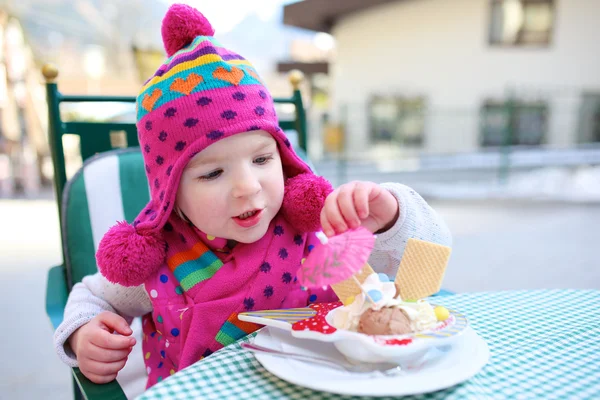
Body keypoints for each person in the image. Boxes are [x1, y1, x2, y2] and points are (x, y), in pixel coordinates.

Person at [53, 3, 452, 391]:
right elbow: (90, 295)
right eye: (211, 172)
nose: (248, 186)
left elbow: (423, 270)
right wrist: (84, 333)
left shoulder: (316, 231)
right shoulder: (160, 266)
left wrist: (391, 216)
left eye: (262, 158)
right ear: (170, 194)